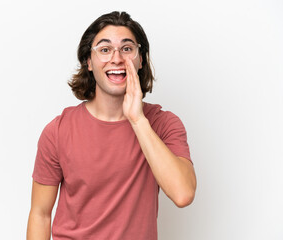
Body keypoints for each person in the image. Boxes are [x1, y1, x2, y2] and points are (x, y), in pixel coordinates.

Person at [27, 11, 196, 240]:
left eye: (127, 49)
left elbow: (183, 193)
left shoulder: (163, 124)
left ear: (140, 59)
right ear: (88, 61)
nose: (116, 58)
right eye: (105, 50)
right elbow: (40, 214)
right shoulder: (57, 131)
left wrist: (137, 120)